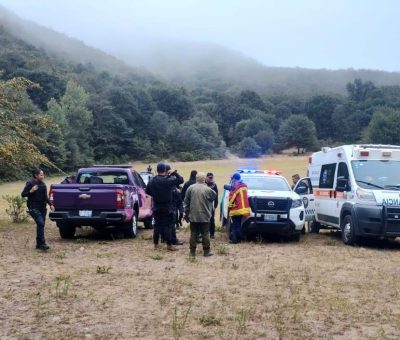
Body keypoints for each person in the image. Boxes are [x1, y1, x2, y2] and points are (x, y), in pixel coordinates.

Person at [145, 162, 184, 251]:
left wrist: (155, 195)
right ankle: (169, 245)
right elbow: (181, 180)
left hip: (156, 206)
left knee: (157, 226)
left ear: (157, 170)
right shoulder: (168, 180)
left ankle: (156, 244)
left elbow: (147, 192)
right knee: (168, 226)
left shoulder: (152, 180)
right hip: (167, 206)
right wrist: (174, 172)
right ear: (166, 170)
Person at [184, 172, 217, 257]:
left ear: (196, 179)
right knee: (205, 233)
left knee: (193, 233)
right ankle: (206, 251)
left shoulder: (190, 188)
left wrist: (187, 213)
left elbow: (186, 202)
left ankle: (192, 252)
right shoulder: (207, 189)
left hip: (193, 216)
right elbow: (214, 196)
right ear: (204, 179)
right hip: (205, 215)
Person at [21, 168, 54, 250]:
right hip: (33, 207)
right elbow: (23, 194)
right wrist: (31, 191)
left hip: (42, 207)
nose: (43, 176)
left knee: (41, 225)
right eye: (41, 175)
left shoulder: (43, 185)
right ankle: (42, 243)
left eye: (43, 175)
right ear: (36, 175)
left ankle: (39, 245)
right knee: (40, 222)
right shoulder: (30, 183)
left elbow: (45, 197)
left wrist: (50, 204)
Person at [227, 172, 250, 244]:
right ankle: (239, 239)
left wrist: (230, 206)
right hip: (244, 209)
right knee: (239, 224)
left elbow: (232, 197)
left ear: (234, 179)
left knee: (235, 225)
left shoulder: (236, 187)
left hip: (237, 209)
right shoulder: (244, 186)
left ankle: (234, 239)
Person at [205, 172, 218, 239]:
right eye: (209, 177)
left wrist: (215, 205)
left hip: (211, 205)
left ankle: (212, 234)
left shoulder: (214, 185)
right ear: (206, 177)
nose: (211, 179)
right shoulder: (203, 184)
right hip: (204, 204)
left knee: (212, 219)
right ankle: (204, 233)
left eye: (211, 177)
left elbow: (216, 196)